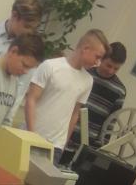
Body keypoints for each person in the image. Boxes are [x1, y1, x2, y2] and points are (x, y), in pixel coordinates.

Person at [24, 29, 109, 162]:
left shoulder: (88, 80)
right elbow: (31, 99)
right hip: (30, 135)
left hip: (56, 146)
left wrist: (63, 145)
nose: (98, 63)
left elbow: (75, 114)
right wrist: (31, 134)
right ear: (85, 49)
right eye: (97, 57)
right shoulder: (50, 66)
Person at [66, 40, 127, 154]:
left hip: (87, 145)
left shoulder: (119, 90)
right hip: (65, 133)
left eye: (116, 68)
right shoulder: (84, 73)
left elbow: (111, 122)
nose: (111, 71)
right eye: (109, 65)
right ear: (102, 58)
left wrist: (100, 147)